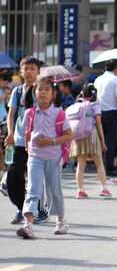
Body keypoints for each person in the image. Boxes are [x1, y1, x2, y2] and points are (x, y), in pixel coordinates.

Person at [16, 76, 73, 239]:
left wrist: (52, 141)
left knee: (54, 190)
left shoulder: (59, 113)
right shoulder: (29, 113)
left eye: (47, 90)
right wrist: (29, 149)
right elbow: (26, 134)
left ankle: (61, 220)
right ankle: (28, 225)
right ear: (35, 92)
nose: (43, 92)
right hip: (35, 157)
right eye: (40, 89)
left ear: (53, 94)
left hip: (54, 158)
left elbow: (69, 136)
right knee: (33, 189)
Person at [5, 57, 48, 225]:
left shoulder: (41, 90)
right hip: (19, 140)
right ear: (21, 71)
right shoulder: (17, 91)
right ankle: (21, 207)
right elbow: (11, 114)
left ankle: (37, 210)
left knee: (34, 177)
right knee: (13, 176)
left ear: (38, 71)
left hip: (37, 142)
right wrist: (10, 133)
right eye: (26, 68)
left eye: (32, 68)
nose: (29, 71)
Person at [71, 84, 112, 199]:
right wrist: (103, 142)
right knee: (98, 162)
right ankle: (104, 188)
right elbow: (98, 124)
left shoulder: (77, 104)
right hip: (92, 135)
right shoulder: (95, 105)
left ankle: (80, 190)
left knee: (81, 163)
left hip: (78, 135)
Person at [94, 61, 117, 176]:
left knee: (101, 140)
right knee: (111, 141)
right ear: (116, 68)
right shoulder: (115, 80)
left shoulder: (98, 79)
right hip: (112, 113)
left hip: (98, 112)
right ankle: (109, 167)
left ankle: (101, 166)